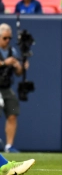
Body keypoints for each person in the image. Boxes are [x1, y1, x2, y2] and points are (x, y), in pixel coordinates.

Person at [0, 24, 29, 153]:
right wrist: (4, 63)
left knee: (12, 114)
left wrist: (19, 67)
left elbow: (18, 73)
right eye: (5, 38)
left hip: (6, 88)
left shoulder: (12, 51)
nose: (7, 41)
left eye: (9, 38)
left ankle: (9, 145)